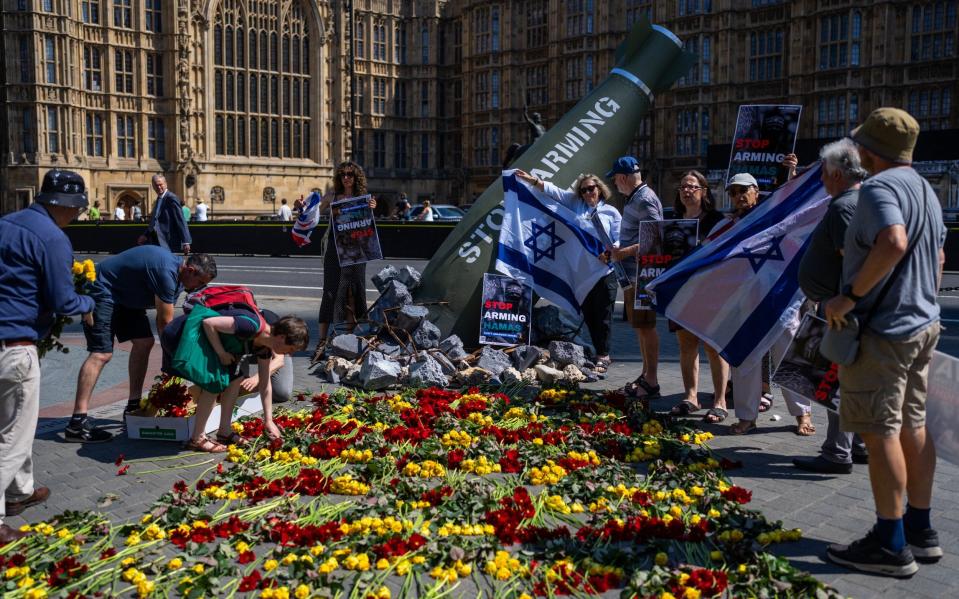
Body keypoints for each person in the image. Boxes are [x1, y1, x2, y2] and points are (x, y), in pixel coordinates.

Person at [824, 108, 947, 577]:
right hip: (921, 325)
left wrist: (849, 297)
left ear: (869, 150)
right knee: (913, 424)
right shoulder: (925, 189)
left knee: (880, 433)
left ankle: (890, 544)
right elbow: (936, 253)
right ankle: (921, 529)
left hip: (883, 332)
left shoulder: (879, 188)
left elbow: (893, 242)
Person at [0, 169, 96, 543]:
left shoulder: (7, 223)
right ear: (67, 206)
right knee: (15, 436)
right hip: (14, 344)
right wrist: (87, 302)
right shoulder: (52, 238)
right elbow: (63, 301)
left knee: (11, 421)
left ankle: (20, 491)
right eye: (77, 210)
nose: (77, 217)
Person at [66, 247, 217, 442]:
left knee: (144, 343)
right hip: (102, 290)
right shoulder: (166, 272)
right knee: (101, 354)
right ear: (190, 270)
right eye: (200, 282)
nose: (198, 288)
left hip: (126, 298)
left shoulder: (181, 277)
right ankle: (77, 423)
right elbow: (165, 324)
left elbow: (166, 325)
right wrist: (175, 365)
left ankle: (133, 405)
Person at [790, 140, 869, 475]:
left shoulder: (843, 207)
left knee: (836, 378)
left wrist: (843, 299)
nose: (820, 177)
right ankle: (859, 445)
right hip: (844, 303)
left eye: (823, 171)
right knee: (850, 377)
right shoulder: (859, 200)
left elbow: (852, 259)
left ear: (836, 172)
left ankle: (837, 452)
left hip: (841, 308)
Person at [719, 173, 814, 435]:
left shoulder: (776, 217)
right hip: (745, 304)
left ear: (756, 191)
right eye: (734, 191)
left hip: (779, 300)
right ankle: (747, 416)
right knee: (746, 361)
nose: (739, 196)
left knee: (788, 357)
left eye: (744, 190)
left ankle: (802, 414)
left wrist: (791, 175)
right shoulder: (728, 226)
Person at [515, 170, 622, 373]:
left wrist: (611, 251)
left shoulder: (611, 212)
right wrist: (532, 181)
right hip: (581, 275)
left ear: (599, 189)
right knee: (590, 315)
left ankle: (604, 355)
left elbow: (619, 238)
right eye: (583, 190)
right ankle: (598, 349)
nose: (588, 193)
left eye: (591, 188)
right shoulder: (575, 206)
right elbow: (554, 192)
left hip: (604, 271)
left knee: (604, 315)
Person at [160, 309, 308, 452]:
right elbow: (209, 323)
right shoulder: (251, 326)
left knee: (235, 379)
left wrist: (268, 420)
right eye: (292, 349)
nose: (291, 354)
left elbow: (264, 384)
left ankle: (224, 430)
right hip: (182, 334)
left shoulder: (264, 348)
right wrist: (221, 353)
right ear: (281, 337)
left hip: (206, 340)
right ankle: (197, 439)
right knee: (214, 383)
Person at [667, 171, 729, 423]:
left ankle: (720, 401)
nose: (686, 190)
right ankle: (691, 397)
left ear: (704, 191)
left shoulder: (717, 220)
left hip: (709, 291)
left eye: (692, 186)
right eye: (683, 186)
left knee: (714, 347)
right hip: (680, 291)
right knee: (687, 346)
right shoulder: (671, 220)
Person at [606, 156, 663, 400]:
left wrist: (623, 252)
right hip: (631, 274)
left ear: (623, 177)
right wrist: (615, 249)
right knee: (640, 327)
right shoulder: (634, 198)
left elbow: (656, 239)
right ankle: (645, 375)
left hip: (642, 274)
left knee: (647, 327)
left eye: (616, 179)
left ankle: (651, 379)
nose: (615, 185)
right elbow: (633, 236)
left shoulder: (645, 199)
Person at [311, 161, 377, 359]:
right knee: (330, 291)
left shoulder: (363, 198)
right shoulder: (332, 196)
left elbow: (366, 224)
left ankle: (348, 338)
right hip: (335, 247)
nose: (346, 178)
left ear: (356, 177)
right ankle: (322, 340)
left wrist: (372, 208)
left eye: (350, 174)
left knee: (353, 291)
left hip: (356, 249)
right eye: (342, 175)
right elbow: (313, 212)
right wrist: (302, 207)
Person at [139, 174, 192, 254]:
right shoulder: (159, 198)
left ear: (166, 184)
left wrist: (186, 241)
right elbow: (154, 220)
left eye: (160, 185)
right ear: (153, 186)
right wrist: (145, 235)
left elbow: (180, 219)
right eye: (156, 185)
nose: (159, 187)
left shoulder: (171, 198)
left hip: (168, 242)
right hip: (156, 240)